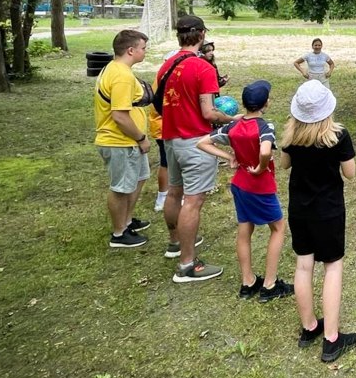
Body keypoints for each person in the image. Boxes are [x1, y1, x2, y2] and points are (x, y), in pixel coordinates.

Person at [280, 80, 356, 363]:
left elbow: (284, 164)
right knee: (332, 267)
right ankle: (332, 338)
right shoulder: (338, 136)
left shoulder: (291, 135)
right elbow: (350, 173)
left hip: (299, 209)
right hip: (328, 211)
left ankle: (309, 326)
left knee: (303, 265)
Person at [159, 16, 239, 283]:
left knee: (174, 192)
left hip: (171, 139)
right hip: (196, 143)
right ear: (202, 35)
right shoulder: (202, 67)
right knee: (193, 202)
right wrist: (232, 120)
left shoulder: (166, 66)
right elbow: (209, 112)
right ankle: (187, 265)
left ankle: (175, 243)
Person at [197, 80, 293, 302]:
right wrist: (260, 167)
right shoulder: (264, 127)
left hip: (240, 184)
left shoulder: (233, 127)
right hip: (259, 185)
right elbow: (266, 150)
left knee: (244, 230)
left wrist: (230, 156)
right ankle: (269, 285)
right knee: (278, 228)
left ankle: (247, 282)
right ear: (265, 103)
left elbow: (202, 143)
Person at [94, 29, 152, 249]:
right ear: (131, 50)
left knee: (138, 178)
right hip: (121, 141)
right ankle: (119, 234)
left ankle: (127, 221)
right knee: (121, 188)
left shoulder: (116, 69)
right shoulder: (121, 76)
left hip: (128, 142)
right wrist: (141, 137)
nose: (145, 52)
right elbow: (119, 115)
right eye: (143, 48)